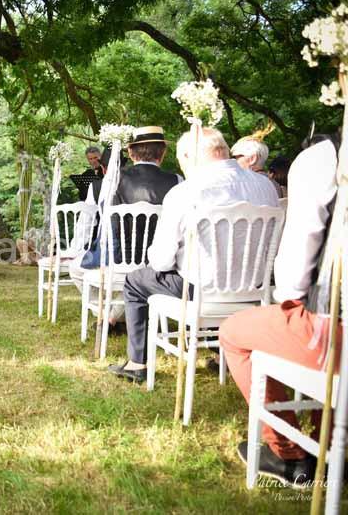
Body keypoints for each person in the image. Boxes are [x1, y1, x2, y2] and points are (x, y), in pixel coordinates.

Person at [109, 127, 279, 383]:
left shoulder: (186, 191)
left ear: (189, 156)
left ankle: (137, 363)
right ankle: (224, 355)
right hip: (255, 287)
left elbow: (161, 260)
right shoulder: (266, 187)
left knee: (135, 281)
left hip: (200, 289)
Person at [220, 136, 340, 487]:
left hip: (333, 327)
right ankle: (326, 444)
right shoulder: (271, 189)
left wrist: (289, 300)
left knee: (233, 332)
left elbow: (297, 263)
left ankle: (288, 452)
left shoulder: (323, 159)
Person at [71, 127, 181, 325]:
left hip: (117, 258)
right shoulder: (177, 181)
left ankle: (106, 315)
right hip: (159, 261)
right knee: (133, 274)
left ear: (130, 152)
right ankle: (114, 315)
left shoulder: (112, 181)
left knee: (76, 269)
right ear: (163, 153)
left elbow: (105, 220)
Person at [232, 133, 284, 198]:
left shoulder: (243, 184)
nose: (234, 161)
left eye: (237, 157)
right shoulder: (275, 184)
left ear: (252, 158)